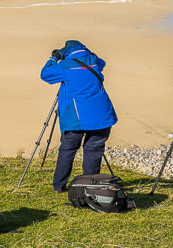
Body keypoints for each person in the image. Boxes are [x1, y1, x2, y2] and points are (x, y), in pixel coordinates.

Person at [40, 40, 118, 193]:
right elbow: (102, 62)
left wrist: (54, 57)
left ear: (66, 52)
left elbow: (45, 74)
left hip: (76, 118)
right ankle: (89, 185)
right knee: (94, 150)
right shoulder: (94, 61)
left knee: (68, 149)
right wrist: (87, 52)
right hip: (102, 115)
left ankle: (58, 186)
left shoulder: (65, 66)